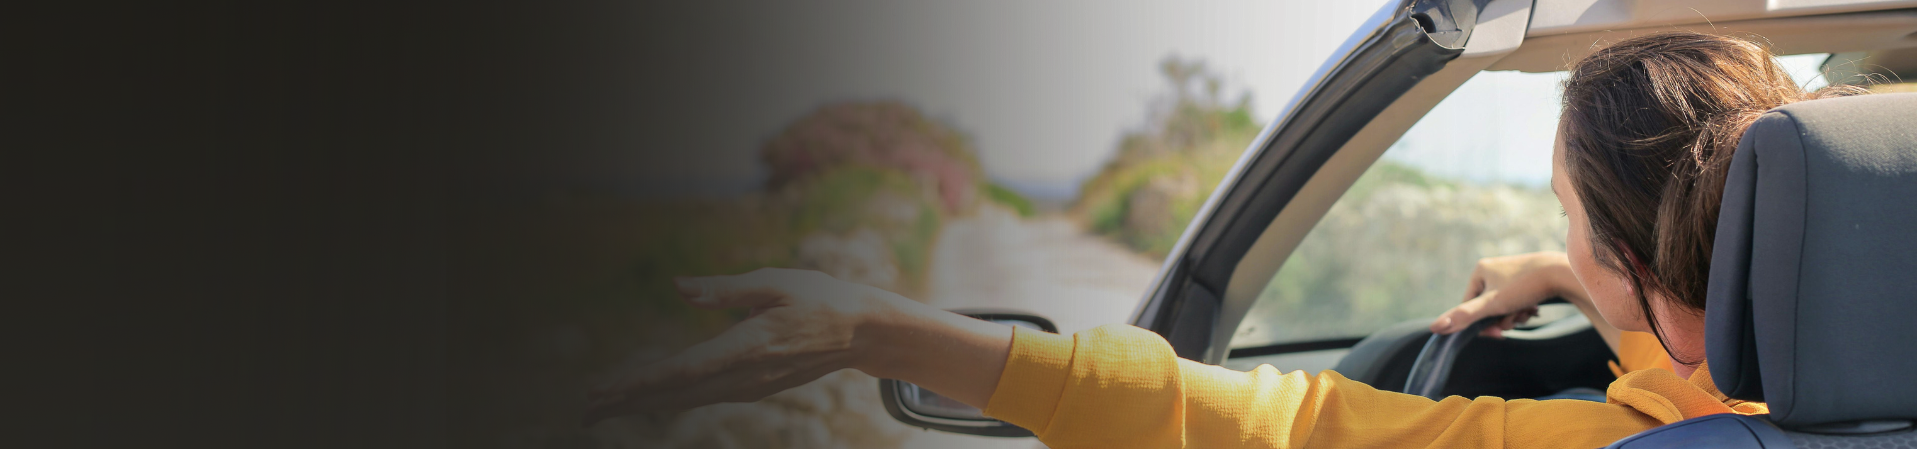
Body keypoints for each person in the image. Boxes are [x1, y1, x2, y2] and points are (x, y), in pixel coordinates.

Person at [583, 32, 1863, 447]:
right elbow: (1711, 316)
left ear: (1642, 276)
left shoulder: (1601, 437)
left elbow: (1271, 418)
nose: (1560, 246)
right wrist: (1572, 275)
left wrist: (878, 325)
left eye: (1577, 229)